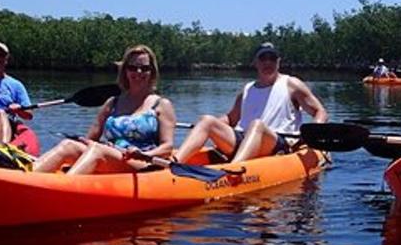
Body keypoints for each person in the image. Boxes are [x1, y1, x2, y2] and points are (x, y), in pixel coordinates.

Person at [173, 42, 329, 164]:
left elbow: (319, 112)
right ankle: (173, 162)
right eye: (263, 58)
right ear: (255, 62)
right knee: (206, 120)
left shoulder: (291, 84)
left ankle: (234, 169)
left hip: (277, 142)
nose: (268, 62)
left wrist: (314, 130)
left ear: (278, 61)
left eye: (272, 58)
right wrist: (204, 126)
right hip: (244, 140)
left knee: (257, 125)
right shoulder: (247, 89)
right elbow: (231, 119)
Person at [34, 44, 176, 175]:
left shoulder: (161, 104)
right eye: (133, 67)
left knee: (97, 150)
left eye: (145, 68)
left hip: (142, 162)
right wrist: (96, 144)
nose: (138, 72)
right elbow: (90, 139)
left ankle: (64, 188)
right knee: (68, 145)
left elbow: (167, 147)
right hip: (111, 155)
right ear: (125, 71)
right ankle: (28, 176)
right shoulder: (112, 102)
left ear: (152, 72)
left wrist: (145, 154)